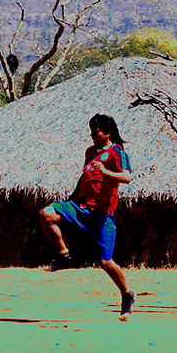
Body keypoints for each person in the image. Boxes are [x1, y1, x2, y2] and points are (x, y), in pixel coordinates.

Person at [39, 114, 136, 321]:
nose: (92, 135)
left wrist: (107, 172)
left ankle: (127, 295)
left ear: (107, 133)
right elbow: (84, 178)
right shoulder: (90, 152)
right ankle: (64, 256)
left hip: (102, 214)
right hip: (80, 206)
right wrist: (72, 199)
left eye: (95, 132)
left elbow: (127, 177)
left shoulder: (117, 152)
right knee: (46, 214)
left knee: (106, 262)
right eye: (91, 132)